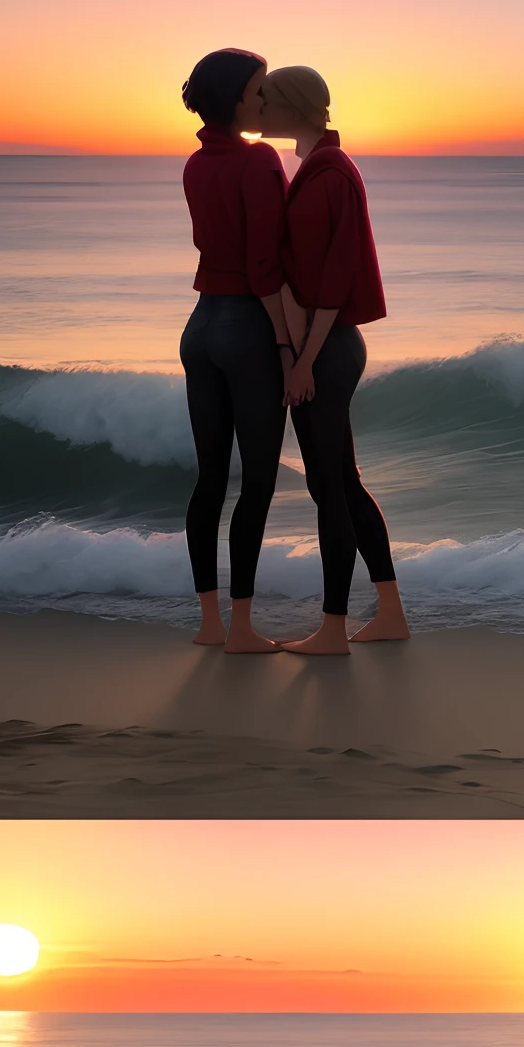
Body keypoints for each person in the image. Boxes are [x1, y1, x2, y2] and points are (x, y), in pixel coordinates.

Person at [258, 65, 410, 653]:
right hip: (327, 345)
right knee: (343, 484)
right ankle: (390, 613)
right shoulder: (315, 168)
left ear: (294, 108)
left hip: (329, 347)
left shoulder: (329, 177)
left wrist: (302, 362)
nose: (259, 112)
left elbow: (334, 281)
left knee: (330, 490)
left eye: (268, 101)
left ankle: (333, 629)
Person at [178, 47, 293, 654]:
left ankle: (208, 623)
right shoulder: (260, 161)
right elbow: (264, 263)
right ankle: (243, 628)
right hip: (247, 327)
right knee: (259, 483)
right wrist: (284, 342)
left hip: (200, 327)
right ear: (235, 100)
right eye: (257, 91)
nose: (265, 100)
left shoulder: (196, 164)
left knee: (210, 481)